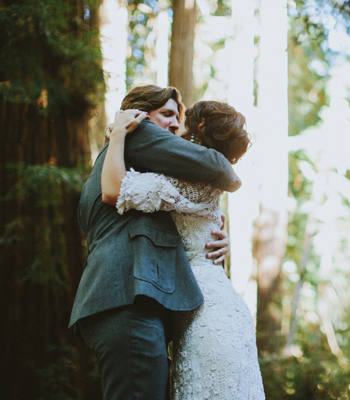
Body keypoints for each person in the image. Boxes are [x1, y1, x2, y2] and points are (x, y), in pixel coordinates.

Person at [69, 85, 240, 400]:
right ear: (137, 114)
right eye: (167, 115)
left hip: (122, 300)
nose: (176, 125)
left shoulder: (116, 160)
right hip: (129, 299)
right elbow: (218, 167)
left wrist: (212, 237)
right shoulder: (138, 132)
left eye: (178, 117)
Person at [102, 100, 265, 399]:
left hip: (206, 314)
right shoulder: (205, 180)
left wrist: (116, 136)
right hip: (215, 306)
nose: (179, 124)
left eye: (187, 119)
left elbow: (114, 189)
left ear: (201, 126)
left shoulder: (183, 182)